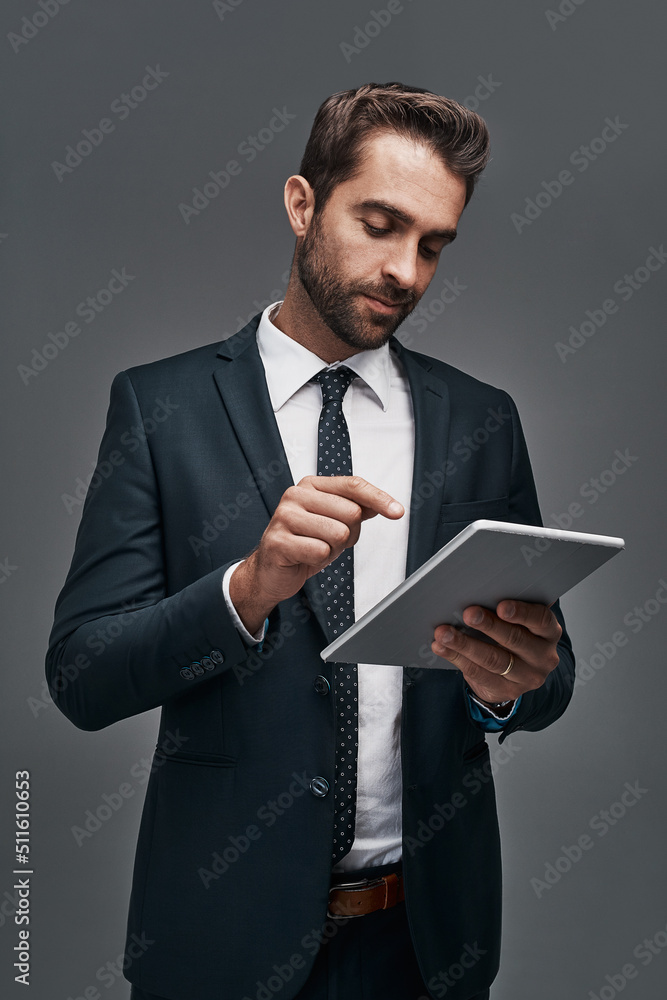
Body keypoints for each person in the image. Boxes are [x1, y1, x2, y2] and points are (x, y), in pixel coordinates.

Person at [46, 82, 575, 1000]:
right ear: (302, 205)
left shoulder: (484, 421)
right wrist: (246, 586)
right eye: (379, 224)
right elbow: (83, 677)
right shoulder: (160, 409)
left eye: (432, 245)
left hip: (425, 944)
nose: (404, 270)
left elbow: (548, 677)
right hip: (217, 943)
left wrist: (508, 689)